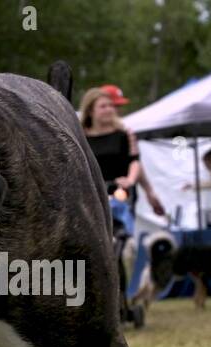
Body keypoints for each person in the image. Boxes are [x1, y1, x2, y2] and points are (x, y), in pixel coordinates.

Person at [81, 86, 141, 321]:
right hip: (91, 196)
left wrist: (130, 180)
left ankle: (121, 302)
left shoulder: (123, 134)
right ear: (91, 110)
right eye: (103, 106)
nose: (108, 110)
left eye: (110, 106)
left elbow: (134, 161)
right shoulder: (81, 136)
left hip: (118, 197)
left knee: (115, 251)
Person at [100, 84, 166, 219]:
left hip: (122, 199)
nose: (115, 111)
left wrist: (149, 192)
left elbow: (135, 164)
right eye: (112, 106)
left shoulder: (126, 133)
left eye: (117, 107)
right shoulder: (83, 135)